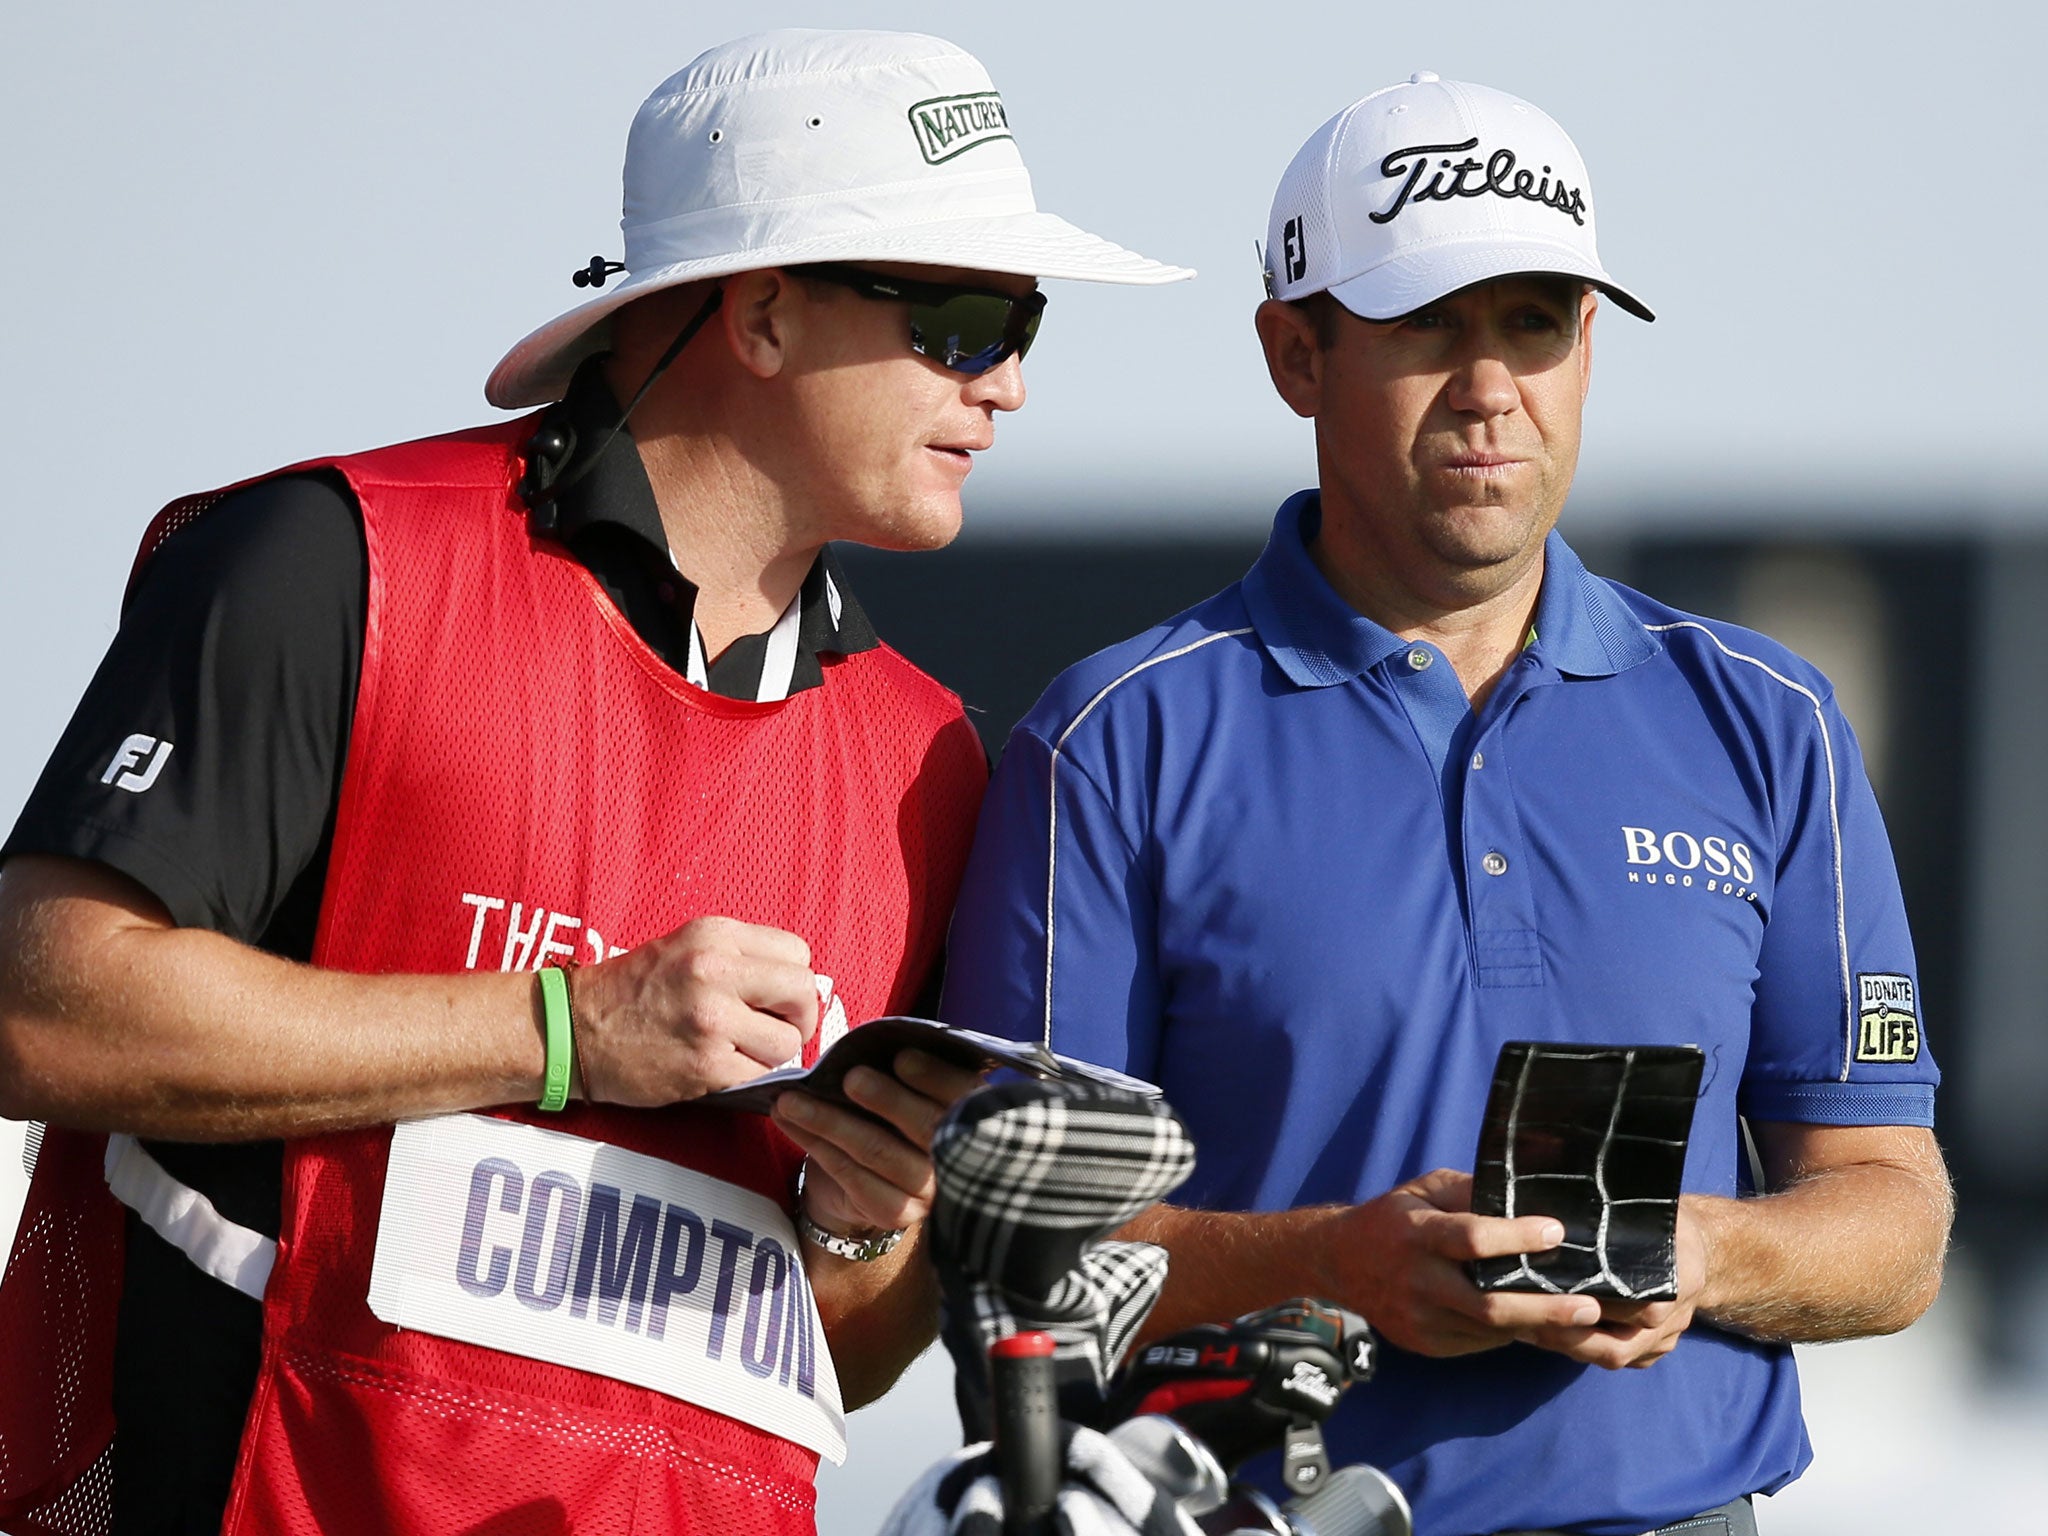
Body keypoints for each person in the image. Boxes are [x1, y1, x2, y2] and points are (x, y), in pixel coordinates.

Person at [0, 29, 1190, 1536]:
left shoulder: (931, 759)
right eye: (962, 320)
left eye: (1024, 326)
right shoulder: (337, 563)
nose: (1009, 384)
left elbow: (839, 1349)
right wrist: (571, 1026)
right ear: (760, 316)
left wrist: (856, 1217)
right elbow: (37, 1001)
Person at [941, 72, 1951, 1536]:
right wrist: (1335, 1262)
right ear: (1296, 354)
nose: (1492, 387)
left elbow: (1894, 1221)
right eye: (1429, 325)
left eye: (1535, 324)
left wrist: (1696, 1253)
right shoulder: (1116, 736)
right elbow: (1007, 1258)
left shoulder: (1766, 717)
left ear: (1587, 347)